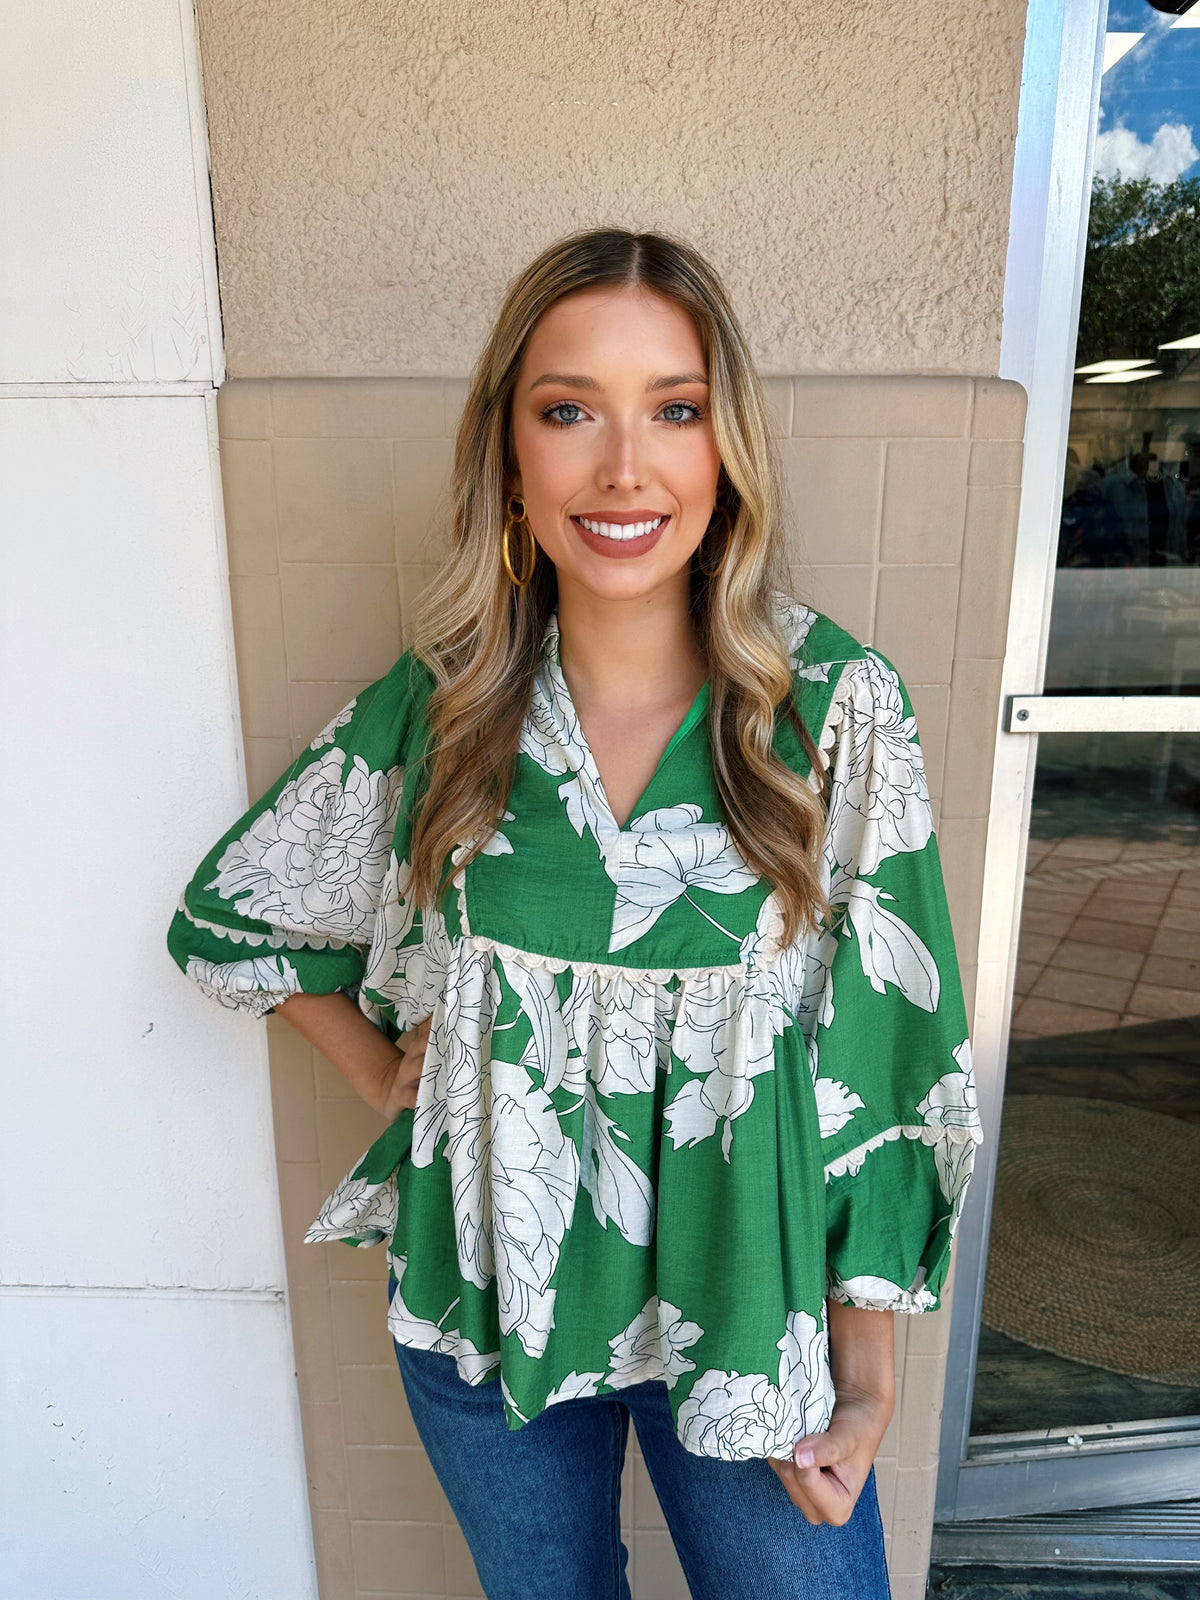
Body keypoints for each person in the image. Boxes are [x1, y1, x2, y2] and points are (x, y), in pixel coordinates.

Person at [169, 229, 982, 1599]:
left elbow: (889, 1061)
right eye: (568, 412)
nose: (623, 468)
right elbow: (231, 922)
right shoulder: (448, 709)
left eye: (674, 409)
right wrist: (382, 1070)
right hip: (486, 1310)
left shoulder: (833, 709)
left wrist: (864, 1377)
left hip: (746, 1308)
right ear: (510, 455)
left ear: (725, 450)